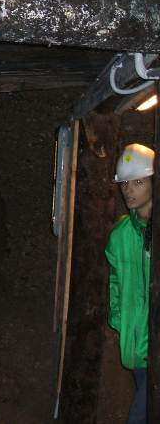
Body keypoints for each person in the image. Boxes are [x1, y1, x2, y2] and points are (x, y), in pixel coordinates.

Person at [106, 143, 154, 424]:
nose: (129, 190)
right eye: (125, 183)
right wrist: (119, 320)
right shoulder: (120, 237)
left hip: (154, 347)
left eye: (138, 182)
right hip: (135, 348)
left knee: (139, 415)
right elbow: (115, 284)